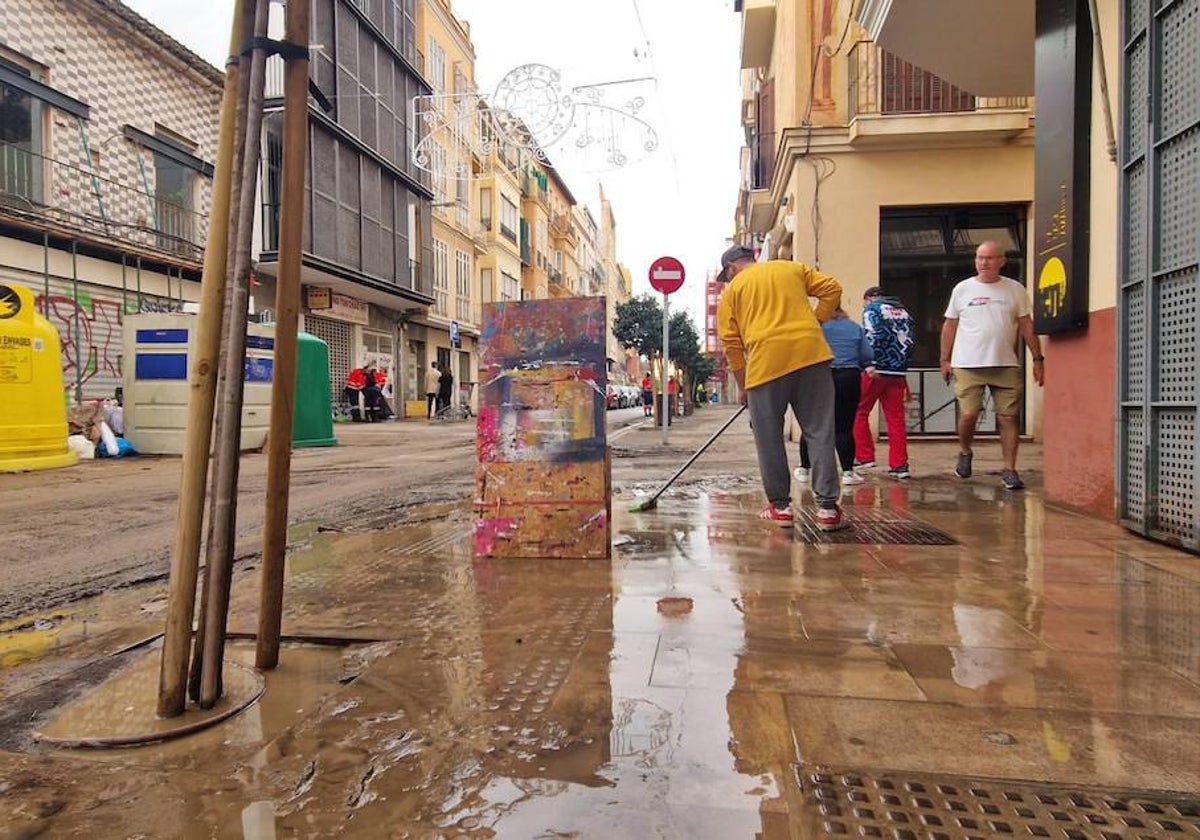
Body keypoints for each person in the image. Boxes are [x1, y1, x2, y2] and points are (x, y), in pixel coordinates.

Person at [715, 244, 848, 530]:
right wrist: (816, 320)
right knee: (820, 432)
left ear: (731, 269)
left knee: (769, 438)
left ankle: (780, 507)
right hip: (811, 356)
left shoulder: (733, 291)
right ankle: (827, 509)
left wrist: (743, 386)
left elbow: (732, 345)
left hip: (766, 365)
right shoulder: (791, 268)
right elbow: (833, 289)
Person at [940, 240, 1044, 490]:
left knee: (1009, 418)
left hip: (1005, 363)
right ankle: (965, 451)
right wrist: (945, 359)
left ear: (1001, 261)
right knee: (969, 414)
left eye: (989, 258)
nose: (984, 262)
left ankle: (1009, 469)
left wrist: (1038, 359)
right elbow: (950, 325)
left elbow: (1027, 325)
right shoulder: (962, 289)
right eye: (979, 258)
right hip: (967, 364)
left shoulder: (1015, 289)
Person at [797, 307, 874, 488]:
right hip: (849, 378)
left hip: (820, 376)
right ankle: (847, 472)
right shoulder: (855, 328)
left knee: (812, 424)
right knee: (844, 427)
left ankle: (804, 470)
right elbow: (867, 355)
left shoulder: (816, 327)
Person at [853, 286, 915, 479]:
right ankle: (899, 465)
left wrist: (867, 362)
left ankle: (865, 456)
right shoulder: (904, 312)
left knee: (859, 411)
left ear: (869, 298)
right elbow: (910, 341)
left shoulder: (872, 310)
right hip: (897, 372)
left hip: (875, 370)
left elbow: (872, 336)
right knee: (895, 419)